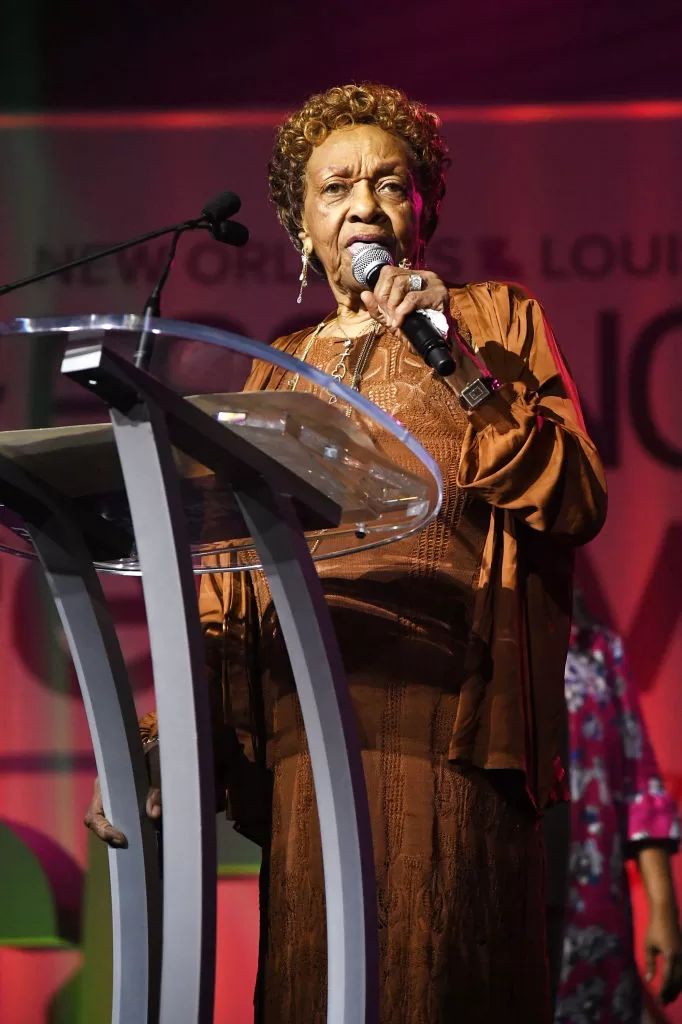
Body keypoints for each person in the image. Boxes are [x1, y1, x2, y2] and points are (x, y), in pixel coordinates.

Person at [86, 83, 607, 1022]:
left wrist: (453, 359)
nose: (365, 204)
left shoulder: (495, 320)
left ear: (424, 209)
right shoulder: (280, 366)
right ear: (300, 224)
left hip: (450, 729)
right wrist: (160, 744)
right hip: (309, 745)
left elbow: (574, 497)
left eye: (390, 184)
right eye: (336, 188)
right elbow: (227, 586)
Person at [549, 591, 682, 1023]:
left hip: (590, 912)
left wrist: (662, 907)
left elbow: (639, 781)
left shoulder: (597, 651)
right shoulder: (487, 635)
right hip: (508, 903)